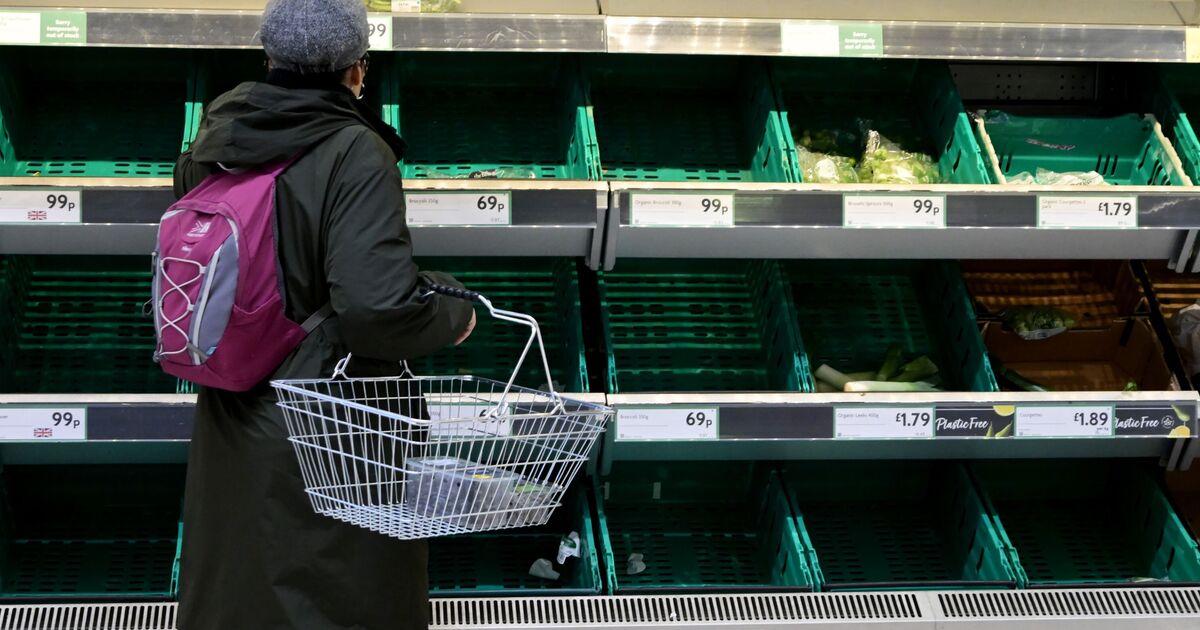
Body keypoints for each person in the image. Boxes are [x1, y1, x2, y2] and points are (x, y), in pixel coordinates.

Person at [172, 0, 476, 627]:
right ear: (356, 72)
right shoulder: (353, 150)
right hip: (329, 434)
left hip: (233, 416)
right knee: (338, 600)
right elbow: (376, 308)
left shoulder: (216, 138)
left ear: (269, 58)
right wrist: (453, 310)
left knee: (240, 597)